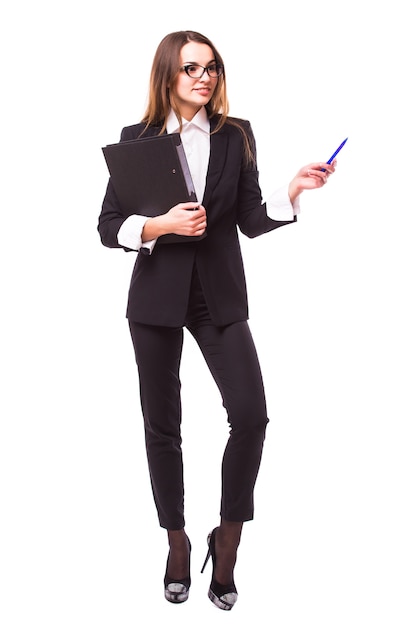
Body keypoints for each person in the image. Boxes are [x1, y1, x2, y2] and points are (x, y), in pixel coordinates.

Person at [98, 30, 336, 611]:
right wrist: (159, 226)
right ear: (168, 76)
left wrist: (294, 189)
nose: (203, 77)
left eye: (211, 67)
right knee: (163, 426)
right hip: (155, 300)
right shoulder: (139, 140)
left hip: (218, 297)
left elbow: (251, 218)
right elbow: (109, 226)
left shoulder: (236, 136)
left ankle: (227, 537)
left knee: (251, 415)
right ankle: (177, 540)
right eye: (191, 69)